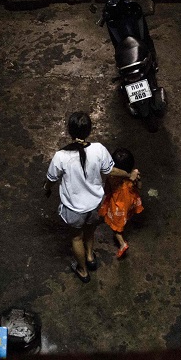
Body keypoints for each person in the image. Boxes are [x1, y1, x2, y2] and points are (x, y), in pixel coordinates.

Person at [44, 112, 139, 283]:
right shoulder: (99, 150)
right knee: (90, 231)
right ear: (89, 130)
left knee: (76, 237)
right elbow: (110, 170)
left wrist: (47, 189)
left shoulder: (61, 156)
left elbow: (51, 179)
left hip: (74, 209)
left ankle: (83, 270)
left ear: (69, 131)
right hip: (95, 206)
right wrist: (127, 174)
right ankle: (90, 257)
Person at [98, 147, 144, 259]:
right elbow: (139, 187)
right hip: (130, 201)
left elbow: (107, 191)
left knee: (116, 227)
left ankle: (122, 243)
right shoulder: (134, 174)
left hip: (118, 204)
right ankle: (124, 224)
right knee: (125, 216)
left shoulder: (112, 178)